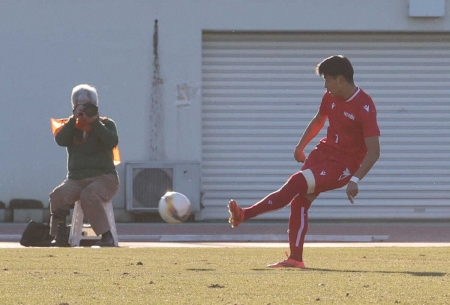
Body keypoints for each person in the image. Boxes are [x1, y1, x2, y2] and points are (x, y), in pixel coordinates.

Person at [228, 55, 380, 268]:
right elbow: (319, 119)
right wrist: (301, 146)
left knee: (296, 183)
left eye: (327, 79)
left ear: (341, 80)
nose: (325, 86)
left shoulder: (365, 106)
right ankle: (295, 259)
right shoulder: (330, 96)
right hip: (323, 152)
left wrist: (355, 179)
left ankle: (245, 214)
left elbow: (374, 151)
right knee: (299, 201)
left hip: (343, 165)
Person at [49, 84, 120, 247]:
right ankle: (60, 235)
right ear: (74, 107)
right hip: (75, 180)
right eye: (81, 106)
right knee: (57, 195)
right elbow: (60, 140)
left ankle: (106, 235)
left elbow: (112, 141)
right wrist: (74, 120)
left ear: (95, 105)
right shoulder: (70, 126)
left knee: (89, 195)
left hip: (105, 179)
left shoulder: (106, 124)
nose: (85, 109)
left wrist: (94, 122)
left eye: (89, 105)